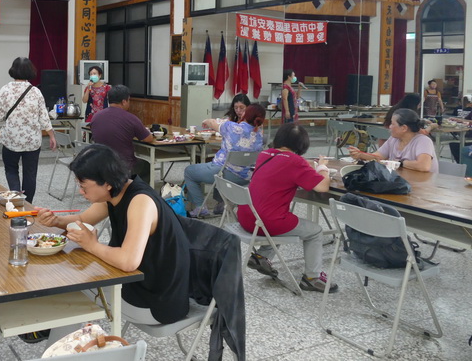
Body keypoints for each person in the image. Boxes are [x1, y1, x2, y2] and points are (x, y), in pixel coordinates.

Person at [36, 144, 190, 326]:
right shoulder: (115, 192)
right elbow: (83, 218)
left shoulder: (141, 202)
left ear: (107, 183)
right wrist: (55, 221)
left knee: (71, 287)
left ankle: (61, 345)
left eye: (84, 186)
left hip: (157, 302)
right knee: (70, 278)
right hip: (135, 283)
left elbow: (128, 261)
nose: (80, 191)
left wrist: (92, 245)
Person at [238, 123, 337, 293]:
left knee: (279, 215)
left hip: (247, 217)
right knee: (315, 232)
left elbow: (284, 167)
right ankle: (312, 278)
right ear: (302, 145)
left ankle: (263, 256)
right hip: (266, 222)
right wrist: (323, 168)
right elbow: (322, 187)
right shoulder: (295, 161)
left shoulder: (264, 154)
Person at [184, 103, 266, 218]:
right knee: (220, 170)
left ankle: (200, 207)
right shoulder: (260, 134)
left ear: (246, 114)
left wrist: (207, 120)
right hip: (246, 177)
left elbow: (213, 123)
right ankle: (220, 205)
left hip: (226, 173)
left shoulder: (232, 127)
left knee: (189, 171)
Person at [0, 57, 57, 202]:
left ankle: (16, 200)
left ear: (13, 70)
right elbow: (44, 118)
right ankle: (28, 204)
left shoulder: (5, 90)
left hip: (11, 139)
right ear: (30, 71)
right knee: (30, 174)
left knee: (11, 170)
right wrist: (52, 136)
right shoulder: (35, 92)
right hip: (32, 141)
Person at [89, 84, 154, 184]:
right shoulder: (131, 118)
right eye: (129, 100)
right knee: (146, 165)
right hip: (123, 164)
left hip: (101, 162)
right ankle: (138, 193)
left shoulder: (96, 117)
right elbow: (148, 139)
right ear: (124, 101)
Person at [349, 108, 438, 173]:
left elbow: (424, 166)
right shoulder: (394, 139)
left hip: (422, 186)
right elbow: (378, 157)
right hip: (402, 180)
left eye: (392, 124)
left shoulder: (423, 141)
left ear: (403, 128)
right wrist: (360, 154)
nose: (390, 127)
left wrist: (399, 163)